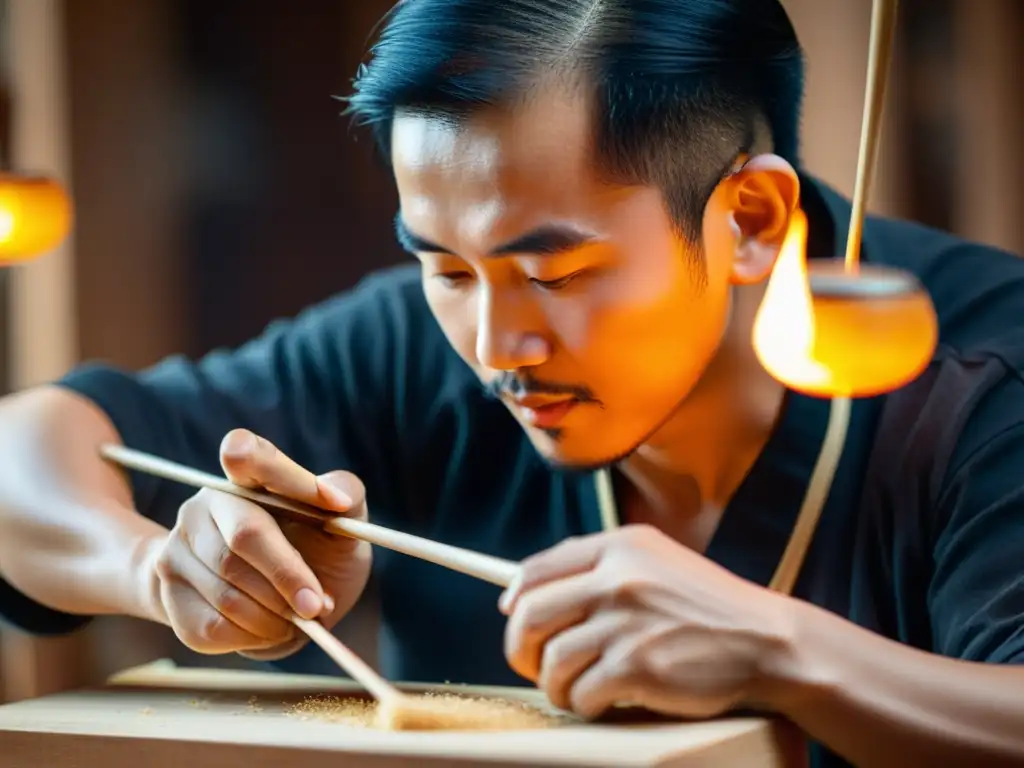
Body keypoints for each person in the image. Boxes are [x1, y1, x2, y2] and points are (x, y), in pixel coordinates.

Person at [0, 0, 1022, 765]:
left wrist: (782, 650)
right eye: (443, 265)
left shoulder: (982, 376)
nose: (496, 346)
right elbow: (25, 451)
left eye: (555, 274)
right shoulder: (411, 342)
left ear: (749, 219)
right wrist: (166, 574)